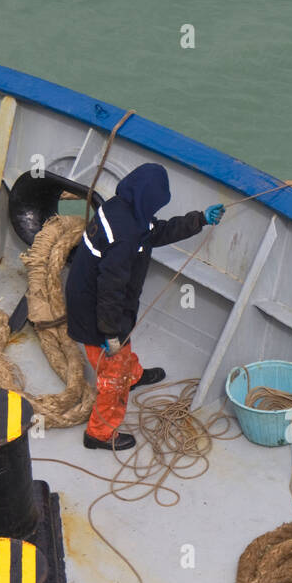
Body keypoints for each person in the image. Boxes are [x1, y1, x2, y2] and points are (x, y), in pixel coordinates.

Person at [65, 163, 225, 450]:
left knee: (123, 346)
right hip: (97, 315)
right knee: (112, 375)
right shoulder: (124, 236)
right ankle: (99, 434)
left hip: (104, 309)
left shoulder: (124, 209)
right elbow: (110, 290)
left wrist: (199, 219)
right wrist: (109, 333)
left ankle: (134, 376)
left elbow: (157, 232)